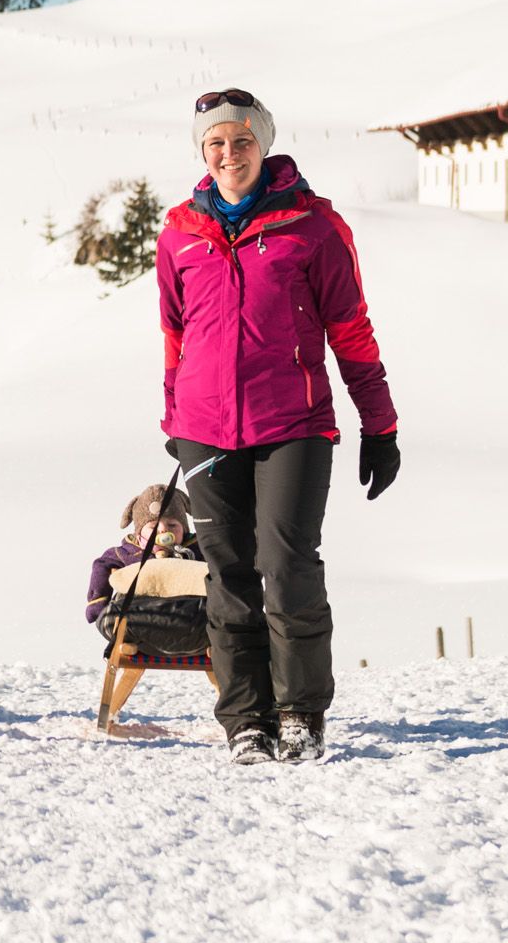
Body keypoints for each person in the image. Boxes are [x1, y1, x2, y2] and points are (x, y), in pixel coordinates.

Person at [156, 88, 399, 765]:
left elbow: (351, 331)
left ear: (263, 144)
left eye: (241, 140)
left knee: (286, 564)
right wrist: (175, 416)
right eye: (216, 143)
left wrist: (379, 425)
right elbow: (176, 334)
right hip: (205, 428)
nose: (230, 153)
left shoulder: (313, 228)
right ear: (203, 152)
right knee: (227, 571)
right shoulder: (179, 233)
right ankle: (245, 718)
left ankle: (299, 712)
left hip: (293, 423)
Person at [83, 481, 192, 627]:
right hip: (140, 616)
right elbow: (101, 565)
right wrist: (98, 602)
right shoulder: (128, 552)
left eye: (172, 525)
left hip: (188, 615)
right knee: (116, 615)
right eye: (153, 526)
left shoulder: (195, 549)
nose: (163, 530)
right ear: (139, 534)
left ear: (184, 530)